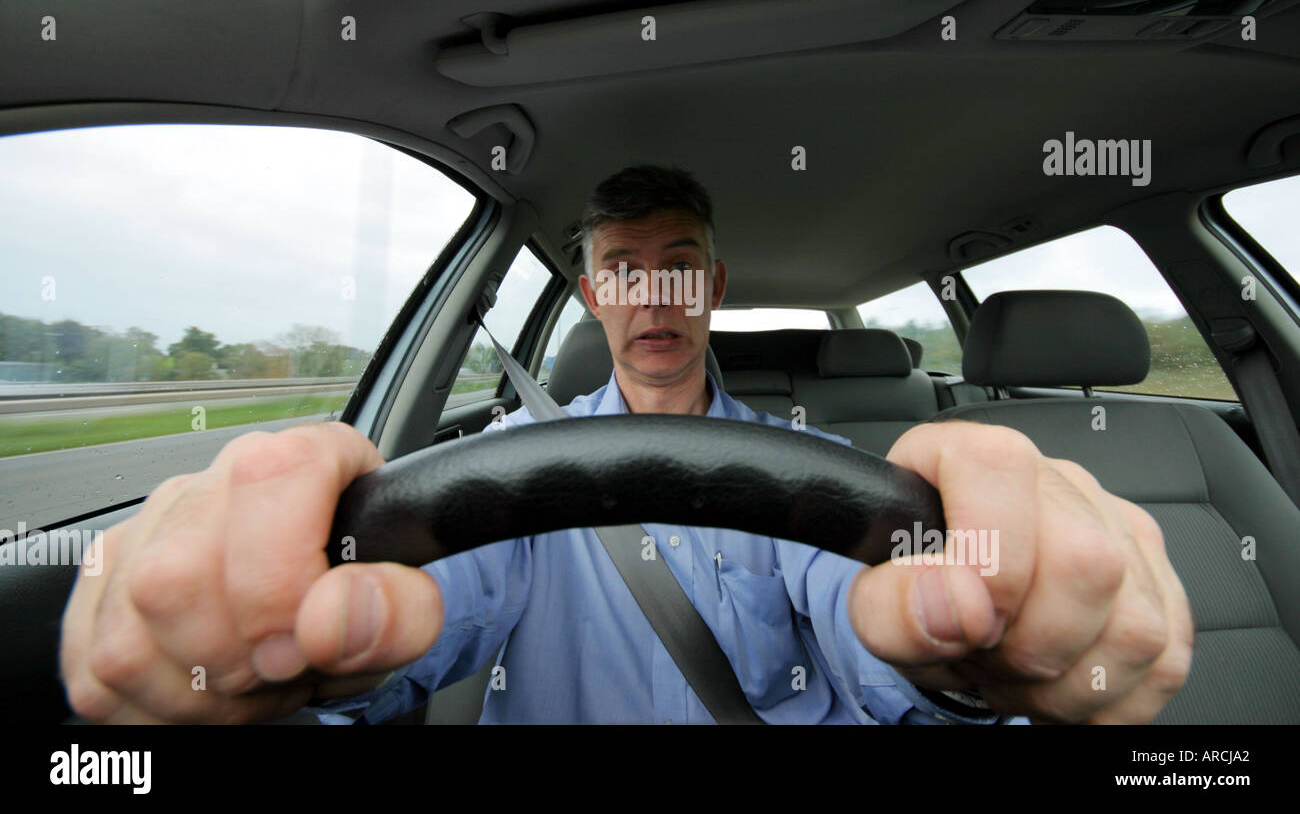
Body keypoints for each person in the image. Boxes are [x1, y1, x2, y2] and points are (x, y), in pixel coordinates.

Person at [58, 166, 1192, 724]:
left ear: (712, 285)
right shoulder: (495, 477)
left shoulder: (818, 478)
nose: (653, 294)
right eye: (623, 268)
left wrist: (962, 663)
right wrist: (285, 647)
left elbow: (871, 641)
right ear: (595, 290)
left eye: (679, 263)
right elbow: (419, 620)